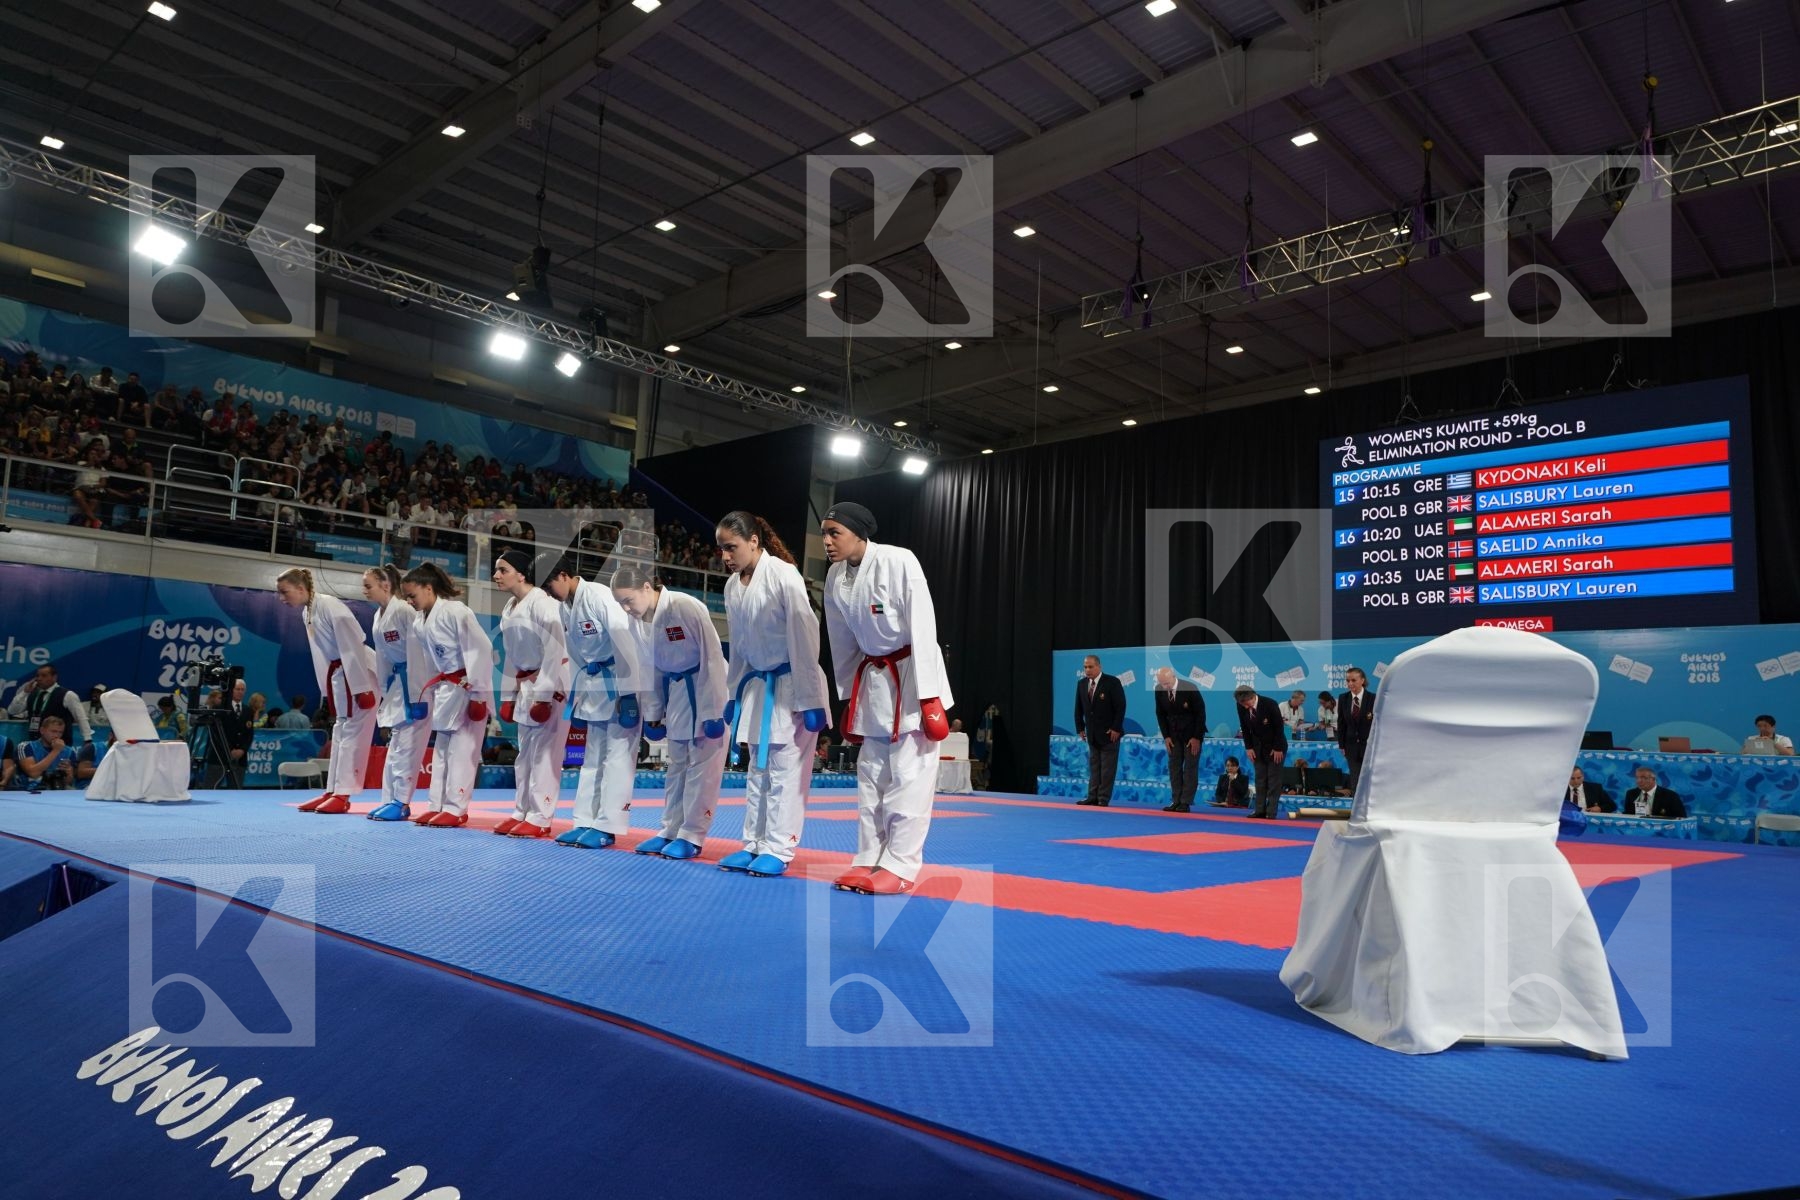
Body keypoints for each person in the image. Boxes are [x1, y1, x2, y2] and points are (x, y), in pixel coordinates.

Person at [819, 502, 953, 896]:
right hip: (873, 681)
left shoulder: (899, 561)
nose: (827, 541)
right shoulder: (834, 577)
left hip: (911, 676)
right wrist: (848, 696)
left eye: (834, 533)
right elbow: (841, 641)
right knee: (871, 775)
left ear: (859, 533)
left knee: (909, 775)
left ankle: (901, 864)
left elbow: (924, 625)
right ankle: (868, 857)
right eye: (824, 533)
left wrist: (929, 696)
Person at [716, 510, 829, 878]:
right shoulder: (732, 588)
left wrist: (810, 698)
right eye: (720, 549)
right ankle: (753, 843)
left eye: (731, 547)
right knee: (756, 769)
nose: (725, 556)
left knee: (784, 771)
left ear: (754, 542)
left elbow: (804, 635)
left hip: (791, 683)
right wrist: (732, 695)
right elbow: (740, 648)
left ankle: (779, 849)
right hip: (756, 686)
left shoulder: (783, 575)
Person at [613, 564, 728, 860]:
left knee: (702, 767)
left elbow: (713, 657)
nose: (626, 609)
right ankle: (669, 829)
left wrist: (714, 710)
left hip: (705, 687)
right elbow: (648, 669)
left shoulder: (685, 606)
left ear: (647, 588)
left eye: (628, 600)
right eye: (620, 604)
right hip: (676, 691)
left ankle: (692, 835)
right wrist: (654, 712)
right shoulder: (636, 622)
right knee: (677, 765)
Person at [545, 558, 644, 849]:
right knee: (592, 758)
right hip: (595, 685)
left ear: (563, 575)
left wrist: (629, 693)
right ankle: (584, 821)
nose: (548, 593)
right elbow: (576, 656)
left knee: (617, 757)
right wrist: (577, 696)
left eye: (549, 585)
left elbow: (626, 642)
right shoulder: (565, 607)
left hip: (620, 682)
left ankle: (608, 825)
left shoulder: (600, 596)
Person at [276, 568, 378, 812]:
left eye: (284, 592)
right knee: (340, 731)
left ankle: (343, 795)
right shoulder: (308, 611)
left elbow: (354, 643)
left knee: (353, 732)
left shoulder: (331, 606)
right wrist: (327, 689)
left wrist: (361, 686)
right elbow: (321, 655)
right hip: (340, 673)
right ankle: (332, 790)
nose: (281, 598)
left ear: (301, 589)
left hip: (359, 672)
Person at [400, 563, 494, 827]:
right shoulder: (420, 622)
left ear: (428, 589)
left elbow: (482, 650)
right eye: (406, 597)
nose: (409, 601)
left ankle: (457, 808)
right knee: (442, 750)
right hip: (444, 688)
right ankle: (437, 804)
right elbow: (428, 663)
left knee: (462, 750)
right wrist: (424, 694)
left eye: (412, 595)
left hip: (467, 687)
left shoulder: (456, 611)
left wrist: (478, 696)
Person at [491, 550, 572, 839]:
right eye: (496, 570)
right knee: (525, 753)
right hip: (527, 683)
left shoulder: (543, 604)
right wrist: (508, 697)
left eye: (503, 569)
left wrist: (543, 696)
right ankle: (521, 810)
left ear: (522, 573)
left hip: (551, 683)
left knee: (545, 754)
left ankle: (541, 816)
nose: (496, 575)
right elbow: (511, 655)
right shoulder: (510, 607)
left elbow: (556, 650)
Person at [362, 564, 433, 822]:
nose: (364, 591)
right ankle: (389, 799)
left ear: (385, 584)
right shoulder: (378, 617)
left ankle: (402, 802)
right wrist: (384, 692)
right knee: (394, 746)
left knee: (408, 747)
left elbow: (418, 653)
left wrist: (418, 695)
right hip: (396, 685)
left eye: (368, 585)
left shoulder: (404, 611)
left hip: (416, 685)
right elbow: (382, 658)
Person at [1073, 655, 1125, 807]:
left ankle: (1103, 798)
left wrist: (1116, 728)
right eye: (1085, 667)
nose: (1087, 670)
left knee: (1107, 769)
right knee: (1094, 767)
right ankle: (1092, 796)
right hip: (1092, 734)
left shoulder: (1112, 682)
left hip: (1110, 734)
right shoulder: (1082, 684)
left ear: (1099, 667)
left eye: (1090, 667)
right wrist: (1080, 728)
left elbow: (1120, 706)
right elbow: (1078, 708)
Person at [1152, 666, 1205, 812]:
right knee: (1174, 768)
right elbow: (1160, 714)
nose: (1165, 687)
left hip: (1191, 735)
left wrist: (1196, 737)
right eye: (1162, 684)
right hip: (1173, 735)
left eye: (1167, 683)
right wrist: (1166, 736)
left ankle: (1185, 802)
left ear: (1173, 677)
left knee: (1189, 768)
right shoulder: (1159, 689)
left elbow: (1200, 714)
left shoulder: (1189, 688)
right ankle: (1176, 800)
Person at [1235, 684, 1287, 818]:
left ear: (1253, 697)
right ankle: (1259, 810)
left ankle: (1271, 812)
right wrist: (1249, 747)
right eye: (1242, 704)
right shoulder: (1241, 706)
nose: (1245, 707)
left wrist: (1277, 748)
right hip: (1257, 747)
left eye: (1247, 703)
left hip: (1275, 746)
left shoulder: (1269, 704)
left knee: (1273, 779)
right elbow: (1245, 729)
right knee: (1260, 778)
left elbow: (1279, 728)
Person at [7, 662, 92, 744]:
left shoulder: (68, 695)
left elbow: (81, 718)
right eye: (37, 676)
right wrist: (24, 692)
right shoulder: (32, 694)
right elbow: (12, 711)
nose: (39, 678)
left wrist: (87, 739)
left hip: (60, 744)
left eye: (44, 676)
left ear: (54, 677)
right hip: (35, 742)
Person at [1337, 667, 1375, 792]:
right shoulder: (1343, 698)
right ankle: (1356, 809)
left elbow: (1377, 724)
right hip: (1351, 746)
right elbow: (1341, 723)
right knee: (1355, 779)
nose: (1350, 683)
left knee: (1369, 780)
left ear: (1362, 680)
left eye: (1353, 680)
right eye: (1348, 680)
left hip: (1369, 746)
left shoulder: (1373, 698)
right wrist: (1341, 744)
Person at [15, 714, 75, 791]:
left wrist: (69, 774)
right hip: (30, 790)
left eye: (60, 732)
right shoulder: (25, 747)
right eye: (53, 731)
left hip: (57, 790)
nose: (57, 735)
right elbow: (33, 773)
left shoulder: (69, 751)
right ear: (42, 731)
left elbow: (68, 781)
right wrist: (56, 751)